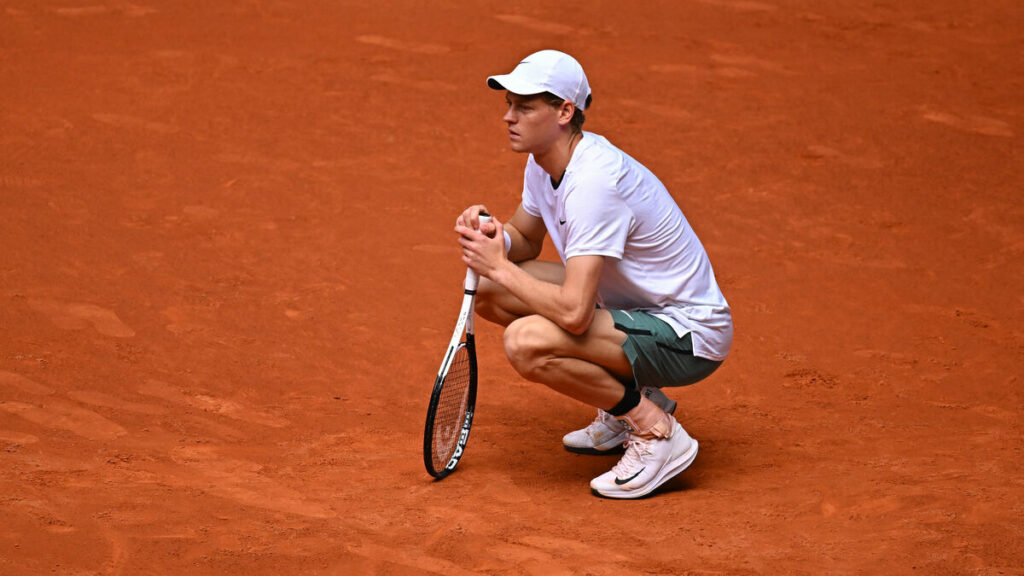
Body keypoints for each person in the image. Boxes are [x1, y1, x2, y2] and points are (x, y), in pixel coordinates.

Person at [455, 50, 732, 499]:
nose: (509, 116)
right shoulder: (546, 161)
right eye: (508, 104)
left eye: (525, 107)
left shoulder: (594, 183)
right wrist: (494, 239)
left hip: (687, 336)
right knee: (490, 290)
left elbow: (575, 314)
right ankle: (635, 400)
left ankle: (654, 429)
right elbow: (524, 238)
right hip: (628, 314)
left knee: (527, 341)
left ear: (565, 112)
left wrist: (501, 266)